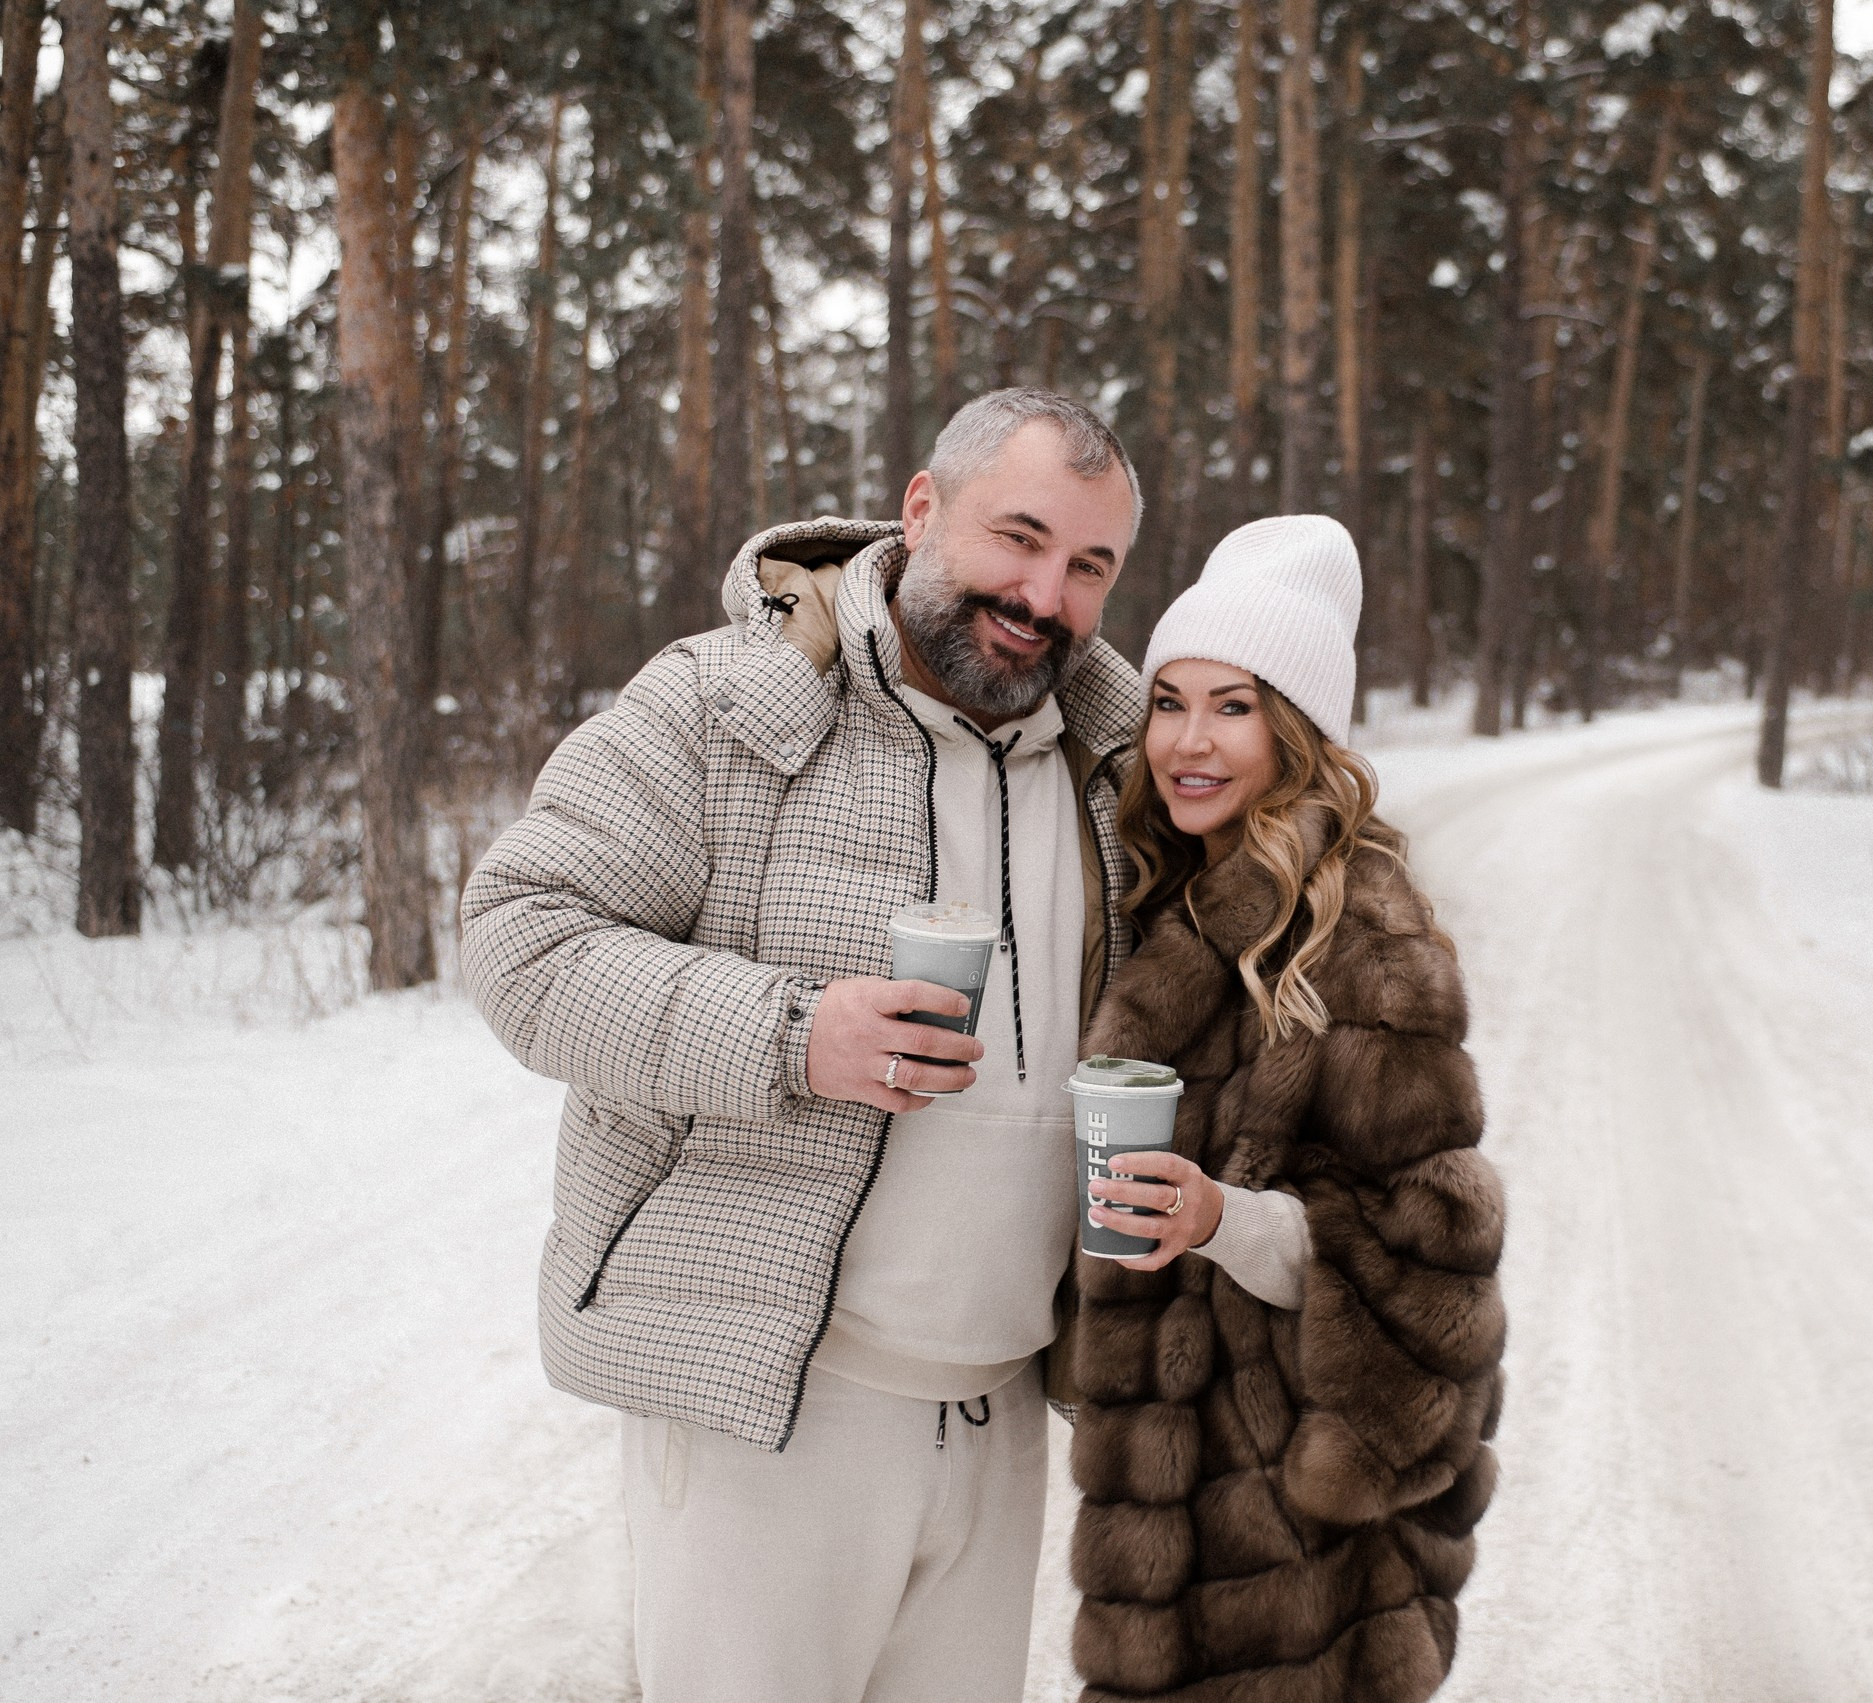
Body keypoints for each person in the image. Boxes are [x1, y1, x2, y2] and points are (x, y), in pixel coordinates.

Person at [461, 389, 1191, 1702]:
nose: (1044, 593)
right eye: (1016, 537)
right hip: (777, 1416)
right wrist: (796, 1030)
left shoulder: (1113, 766)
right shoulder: (722, 706)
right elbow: (520, 939)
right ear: (920, 510)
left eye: (1089, 564)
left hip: (1004, 1408)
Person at [1067, 515, 1508, 1703]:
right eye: (1168, 701)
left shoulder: (1367, 941)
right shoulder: (1169, 898)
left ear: (1300, 730)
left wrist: (1226, 1219)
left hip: (1297, 1543)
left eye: (1234, 706)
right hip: (1165, 1525)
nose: (1187, 742)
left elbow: (1437, 1281)